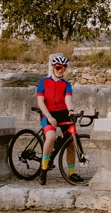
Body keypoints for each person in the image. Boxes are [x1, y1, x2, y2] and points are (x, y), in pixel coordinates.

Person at [35, 53, 81, 185]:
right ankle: (43, 169)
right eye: (58, 67)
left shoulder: (66, 84)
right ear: (53, 67)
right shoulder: (43, 82)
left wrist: (71, 110)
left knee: (71, 143)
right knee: (50, 137)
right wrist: (49, 116)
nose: (60, 70)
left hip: (63, 113)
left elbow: (67, 99)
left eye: (63, 68)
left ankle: (71, 173)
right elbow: (40, 102)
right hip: (48, 113)